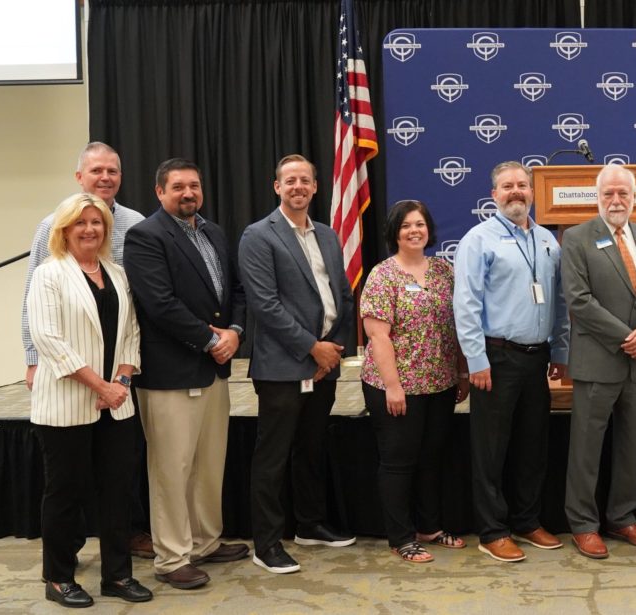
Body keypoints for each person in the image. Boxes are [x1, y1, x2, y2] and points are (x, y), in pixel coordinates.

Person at [21, 142, 154, 560]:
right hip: (71, 375)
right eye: (96, 170)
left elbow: (135, 308)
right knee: (68, 478)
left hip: (120, 368)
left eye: (112, 170)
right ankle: (68, 552)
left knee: (119, 472)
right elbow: (34, 303)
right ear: (80, 176)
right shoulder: (51, 226)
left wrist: (121, 379)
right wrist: (32, 358)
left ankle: (126, 541)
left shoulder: (136, 224)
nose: (105, 177)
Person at [124, 158, 249, 589]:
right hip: (170, 374)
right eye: (178, 187)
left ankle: (204, 542)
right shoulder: (145, 236)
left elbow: (236, 291)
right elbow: (159, 303)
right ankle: (172, 558)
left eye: (194, 185)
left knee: (209, 464)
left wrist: (235, 332)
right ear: (160, 192)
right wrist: (212, 340)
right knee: (171, 470)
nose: (188, 193)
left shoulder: (213, 232)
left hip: (214, 370)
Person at [238, 155, 357, 575]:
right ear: (277, 187)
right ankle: (267, 544)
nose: (298, 187)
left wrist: (332, 349)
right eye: (290, 181)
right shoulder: (258, 236)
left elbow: (343, 297)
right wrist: (311, 348)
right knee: (272, 457)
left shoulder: (328, 235)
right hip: (282, 367)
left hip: (325, 362)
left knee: (312, 448)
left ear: (315, 187)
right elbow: (265, 305)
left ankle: (311, 524)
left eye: (305, 180)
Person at [454, 161, 570, 562]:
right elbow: (466, 304)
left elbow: (559, 302)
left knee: (532, 446)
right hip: (496, 358)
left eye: (522, 185)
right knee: (491, 450)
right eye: (507, 186)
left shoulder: (548, 240)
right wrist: (475, 360)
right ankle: (492, 531)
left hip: (538, 358)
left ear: (533, 193)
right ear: (494, 195)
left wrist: (561, 351)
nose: (515, 191)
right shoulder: (478, 240)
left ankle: (527, 520)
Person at [562, 165, 636, 559]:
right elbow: (579, 300)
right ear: (597, 196)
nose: (616, 200)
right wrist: (627, 337)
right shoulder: (576, 238)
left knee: (632, 446)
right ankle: (583, 524)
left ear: (634, 196)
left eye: (623, 193)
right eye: (608, 193)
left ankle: (623, 517)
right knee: (586, 449)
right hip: (598, 361)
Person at [362, 199, 470, 564]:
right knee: (398, 461)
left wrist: (462, 371)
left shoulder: (444, 271)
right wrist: (393, 386)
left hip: (440, 384)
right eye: (406, 225)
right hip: (396, 386)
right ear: (395, 232)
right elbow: (378, 337)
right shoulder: (382, 275)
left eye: (420, 224)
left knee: (431, 458)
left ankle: (429, 528)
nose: (414, 231)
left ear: (429, 230)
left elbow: (457, 326)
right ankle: (400, 537)